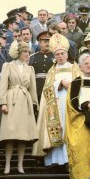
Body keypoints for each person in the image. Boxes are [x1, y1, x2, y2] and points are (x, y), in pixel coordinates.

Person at [32, 33, 81, 171]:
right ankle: (54, 160)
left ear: (67, 54)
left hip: (70, 104)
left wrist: (69, 84)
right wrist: (59, 83)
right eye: (57, 54)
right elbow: (47, 88)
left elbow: (80, 84)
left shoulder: (74, 68)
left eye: (62, 53)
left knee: (68, 130)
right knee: (56, 130)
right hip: (55, 105)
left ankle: (68, 160)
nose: (60, 56)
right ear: (55, 56)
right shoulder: (51, 70)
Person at [0, 42, 39, 175]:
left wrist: (34, 105)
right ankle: (7, 164)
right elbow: (3, 85)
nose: (27, 54)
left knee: (23, 136)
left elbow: (33, 89)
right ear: (18, 53)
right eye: (24, 52)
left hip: (24, 103)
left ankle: (20, 165)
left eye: (28, 52)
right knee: (9, 134)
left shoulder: (30, 69)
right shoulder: (8, 66)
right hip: (11, 100)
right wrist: (3, 103)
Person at [29, 31, 54, 102]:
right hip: (37, 87)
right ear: (39, 43)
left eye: (49, 41)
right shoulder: (32, 57)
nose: (47, 43)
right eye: (45, 41)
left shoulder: (56, 56)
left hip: (51, 87)